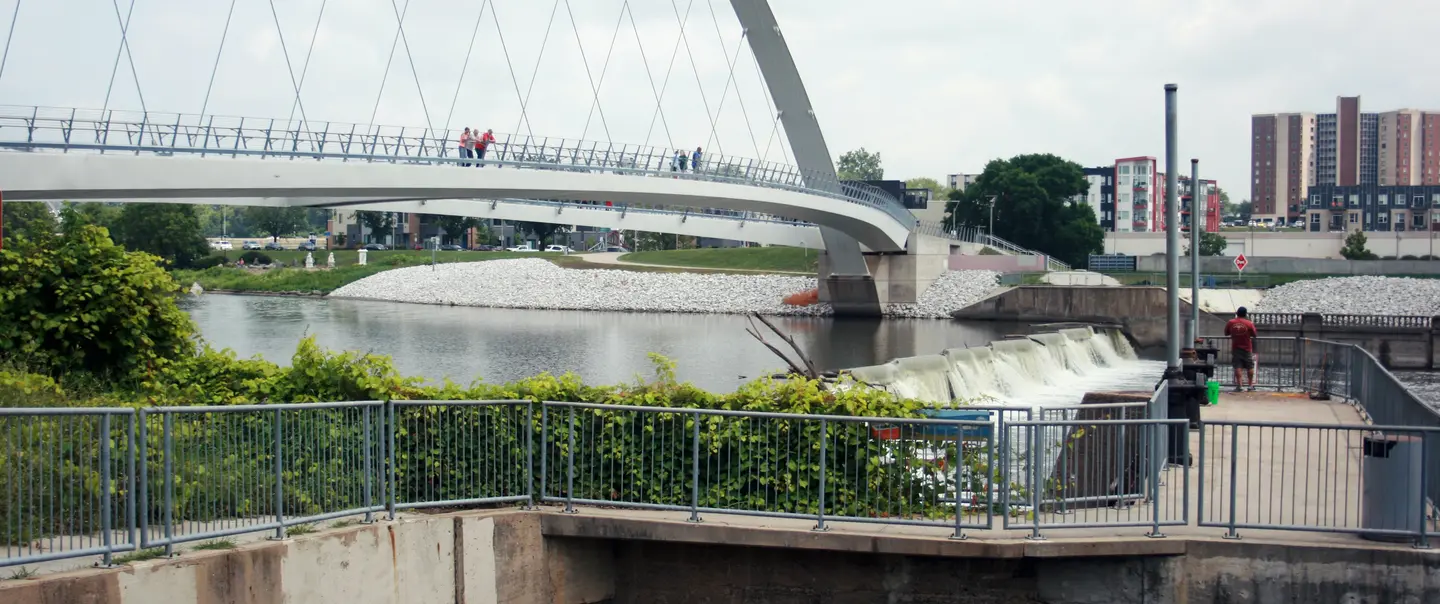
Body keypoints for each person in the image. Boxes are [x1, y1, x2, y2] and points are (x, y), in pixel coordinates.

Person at [1225, 306, 1258, 392]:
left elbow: (1226, 333)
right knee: (1249, 366)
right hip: (1247, 347)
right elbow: (1254, 334)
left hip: (1236, 347)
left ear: (1237, 313)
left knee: (1238, 366)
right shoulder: (1249, 323)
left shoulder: (1231, 322)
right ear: (1245, 314)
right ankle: (1250, 385)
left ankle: (1239, 386)